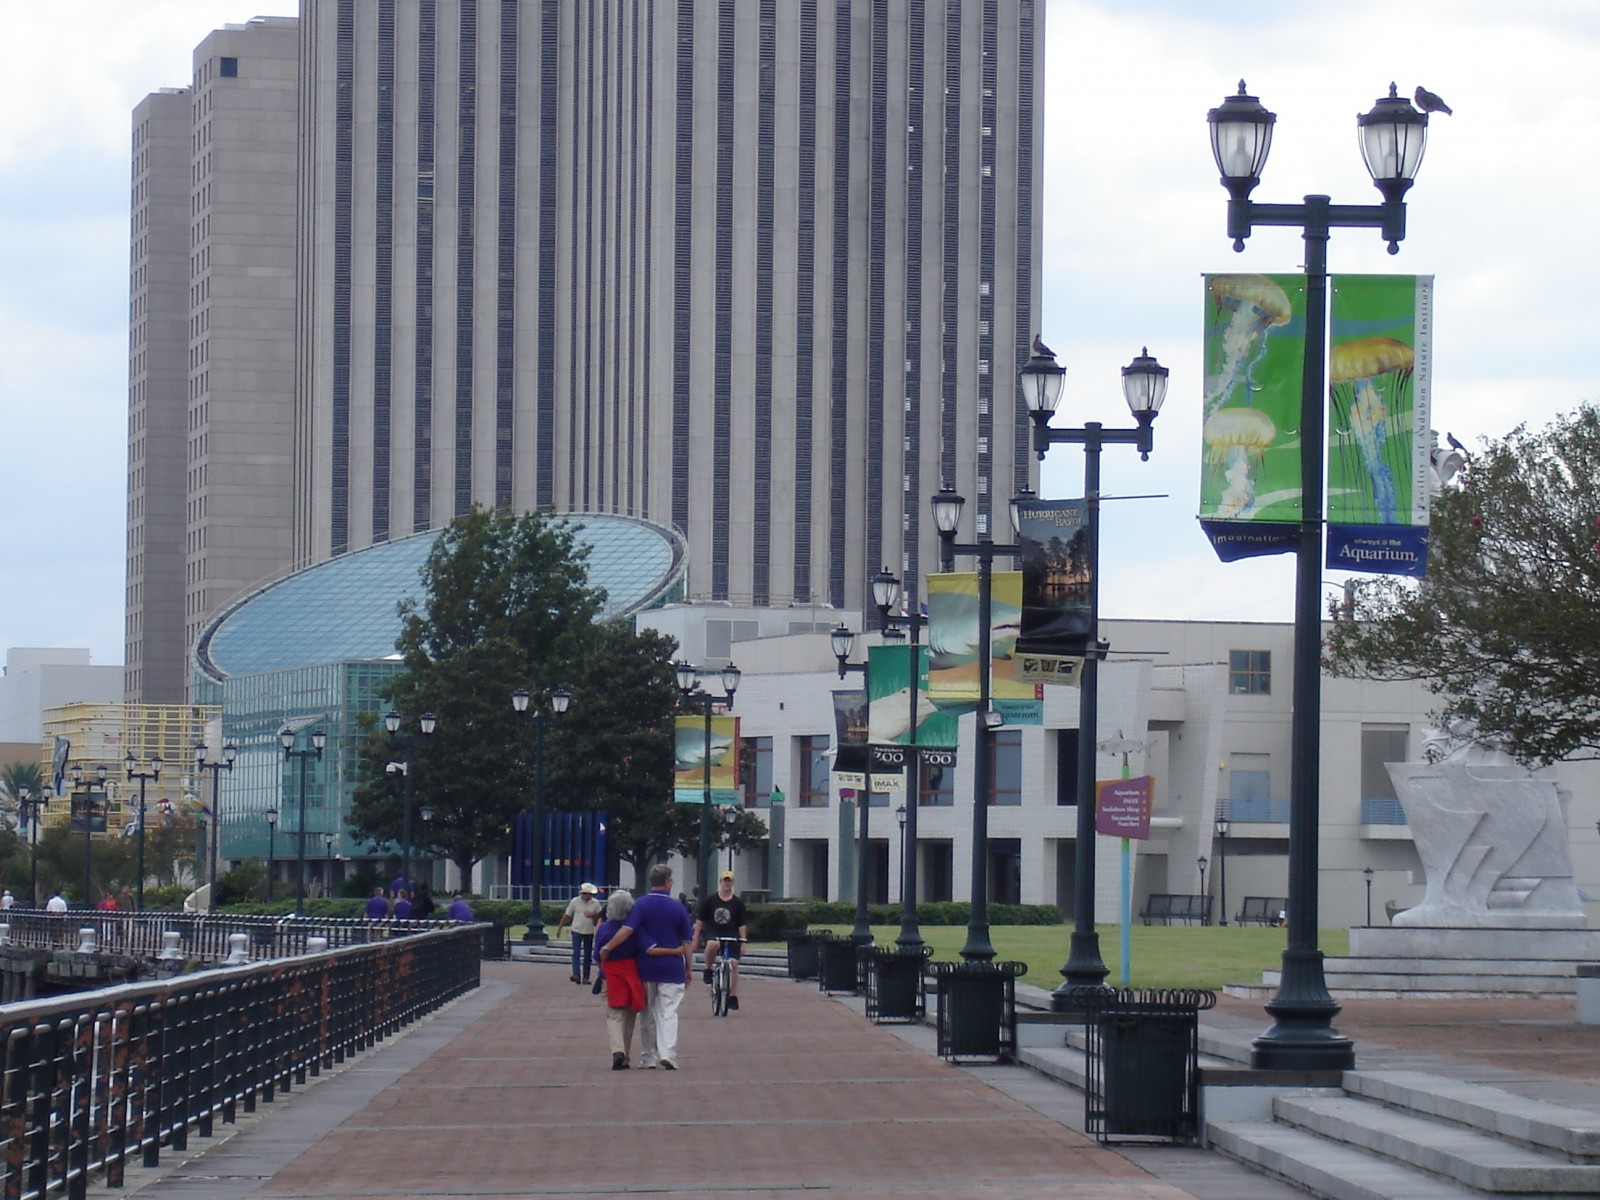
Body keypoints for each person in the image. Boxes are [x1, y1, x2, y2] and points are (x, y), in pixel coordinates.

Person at [598, 863, 692, 1070]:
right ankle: (668, 1053)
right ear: (667, 882)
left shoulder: (640, 905)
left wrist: (607, 947)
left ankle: (648, 1056)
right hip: (672, 967)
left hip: (646, 967)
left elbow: (627, 929)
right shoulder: (678, 907)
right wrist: (689, 967)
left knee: (647, 1013)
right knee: (668, 1011)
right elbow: (687, 941)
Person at [593, 889, 645, 1070]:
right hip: (630, 973)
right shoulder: (634, 930)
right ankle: (625, 1056)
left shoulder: (604, 929)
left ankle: (617, 1050)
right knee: (629, 1016)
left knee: (614, 1015)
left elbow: (596, 956)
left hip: (610, 974)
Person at [694, 870, 749, 1011]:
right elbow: (700, 920)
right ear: (721, 882)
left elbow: (742, 924)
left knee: (734, 964)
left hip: (731, 934)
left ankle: (732, 996)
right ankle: (708, 968)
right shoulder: (710, 900)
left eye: (729, 881)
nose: (727, 884)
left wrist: (743, 941)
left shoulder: (737, 903)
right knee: (713, 943)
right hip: (714, 932)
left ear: (732, 883)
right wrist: (696, 937)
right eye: (725, 881)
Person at [555, 882, 603, 984]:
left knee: (587, 955)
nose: (588, 896)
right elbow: (567, 915)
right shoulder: (575, 901)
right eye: (586, 894)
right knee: (576, 953)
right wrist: (560, 927)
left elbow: (601, 917)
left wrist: (593, 914)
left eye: (590, 894)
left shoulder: (595, 903)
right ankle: (576, 974)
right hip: (576, 930)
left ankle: (586, 977)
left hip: (589, 931)